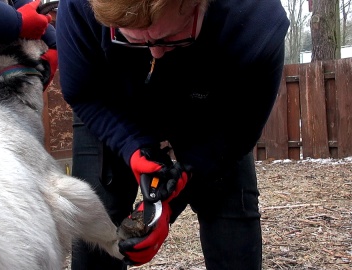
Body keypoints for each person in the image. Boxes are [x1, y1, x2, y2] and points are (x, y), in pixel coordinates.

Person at [56, 0, 290, 269]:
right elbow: (84, 93)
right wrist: (131, 147)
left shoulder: (256, 19)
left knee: (230, 214)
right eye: (132, 37)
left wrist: (173, 193)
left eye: (170, 38)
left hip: (210, 106)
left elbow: (239, 128)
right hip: (114, 102)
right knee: (98, 217)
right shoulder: (78, 6)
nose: (155, 53)